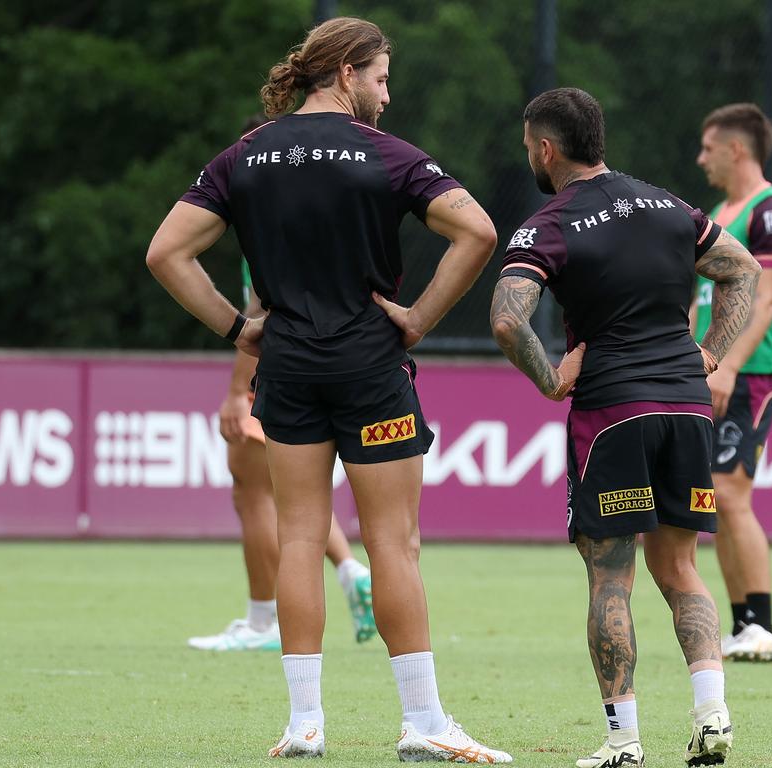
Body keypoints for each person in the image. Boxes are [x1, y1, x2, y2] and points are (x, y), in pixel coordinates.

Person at [146, 17, 510, 763]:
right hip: (370, 370)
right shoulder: (388, 156)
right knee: (393, 546)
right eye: (379, 77)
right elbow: (477, 231)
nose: (386, 92)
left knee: (301, 539)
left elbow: (166, 252)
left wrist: (236, 328)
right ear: (344, 73)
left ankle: (305, 726)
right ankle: (424, 723)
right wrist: (415, 320)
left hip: (287, 369)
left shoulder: (243, 156)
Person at [491, 88, 761, 768]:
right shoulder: (670, 206)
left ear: (546, 149)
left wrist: (552, 376)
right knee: (681, 568)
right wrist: (708, 355)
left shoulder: (549, 223)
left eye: (530, 147)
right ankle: (713, 716)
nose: (530, 157)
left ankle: (623, 741)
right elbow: (742, 270)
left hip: (614, 412)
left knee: (611, 578)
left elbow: (504, 317)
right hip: (686, 406)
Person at [187, 199, 377, 650]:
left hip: (280, 365)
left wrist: (237, 391)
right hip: (345, 358)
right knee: (298, 499)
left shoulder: (267, 216)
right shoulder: (329, 209)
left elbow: (258, 310)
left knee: (253, 495)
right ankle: (351, 570)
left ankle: (262, 621)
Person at [693, 103, 772, 663]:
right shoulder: (721, 210)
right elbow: (705, 299)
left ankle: (763, 625)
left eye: (709, 147)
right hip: (715, 370)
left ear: (736, 149)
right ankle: (744, 627)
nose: (701, 158)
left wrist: (730, 362)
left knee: (732, 492)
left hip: (752, 374)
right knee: (715, 497)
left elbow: (766, 302)